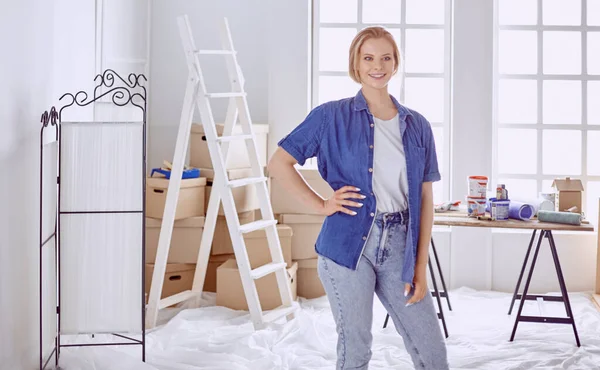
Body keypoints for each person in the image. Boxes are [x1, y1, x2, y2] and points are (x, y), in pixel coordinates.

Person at [267, 26, 449, 370]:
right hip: (346, 246)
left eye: (385, 58)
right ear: (356, 63)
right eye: (368, 58)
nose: (376, 65)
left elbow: (425, 200)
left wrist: (419, 266)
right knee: (357, 349)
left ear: (395, 64)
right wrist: (322, 205)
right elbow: (279, 163)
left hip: (399, 245)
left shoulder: (417, 125)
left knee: (432, 351)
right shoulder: (329, 116)